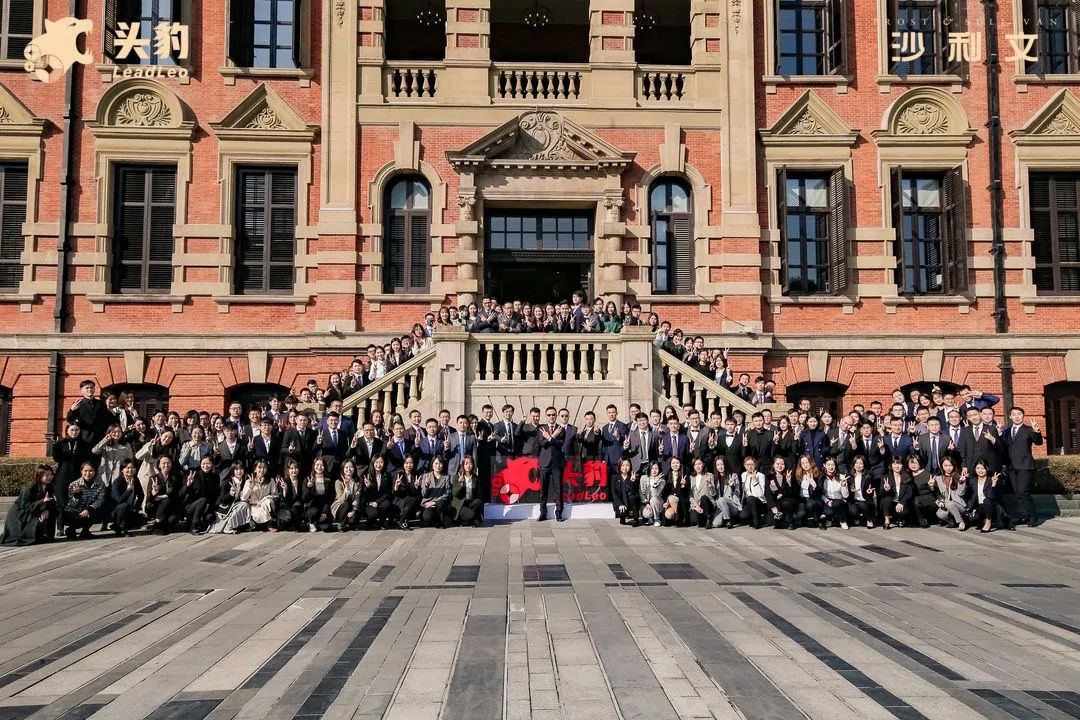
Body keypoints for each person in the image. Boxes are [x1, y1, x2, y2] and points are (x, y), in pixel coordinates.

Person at [1002, 407, 1043, 527]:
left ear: (1023, 416)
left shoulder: (1028, 429)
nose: (1016, 416)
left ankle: (1032, 517)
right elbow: (1003, 446)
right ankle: (1023, 515)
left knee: (1023, 492)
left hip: (1025, 466)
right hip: (1012, 467)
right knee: (1017, 493)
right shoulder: (1007, 431)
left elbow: (1038, 442)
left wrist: (1037, 431)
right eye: (1013, 414)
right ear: (1010, 417)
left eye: (1019, 414)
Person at [52, 422, 91, 536]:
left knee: (76, 500)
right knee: (61, 501)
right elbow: (56, 458)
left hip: (76, 476)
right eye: (72, 430)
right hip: (62, 476)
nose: (74, 432)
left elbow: (86, 460)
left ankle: (74, 526)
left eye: (77, 430)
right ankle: (60, 527)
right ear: (67, 431)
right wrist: (55, 446)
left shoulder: (84, 444)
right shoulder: (61, 443)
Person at [2, 465, 58, 546]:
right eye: (47, 475)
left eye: (51, 474)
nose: (50, 477)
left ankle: (47, 535)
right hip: (21, 515)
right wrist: (43, 502)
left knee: (54, 511)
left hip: (36, 511)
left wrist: (46, 509)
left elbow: (50, 502)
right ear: (39, 476)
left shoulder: (49, 487)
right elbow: (25, 506)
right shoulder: (29, 488)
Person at [63, 462, 108, 539]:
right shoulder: (74, 484)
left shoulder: (100, 484)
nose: (88, 473)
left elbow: (100, 499)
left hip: (90, 511)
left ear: (94, 472)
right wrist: (76, 495)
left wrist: (89, 509)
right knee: (75, 518)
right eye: (85, 471)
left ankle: (85, 531)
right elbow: (71, 504)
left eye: (91, 471)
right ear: (81, 471)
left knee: (102, 509)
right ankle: (71, 529)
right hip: (74, 513)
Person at [537, 406, 567, 522]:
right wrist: (553, 436)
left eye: (553, 415)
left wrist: (549, 437)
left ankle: (559, 513)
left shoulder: (561, 429)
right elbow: (542, 444)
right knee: (543, 489)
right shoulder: (541, 428)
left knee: (558, 489)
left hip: (557, 463)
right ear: (546, 416)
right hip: (544, 462)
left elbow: (560, 444)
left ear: (556, 416)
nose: (551, 417)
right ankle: (543, 513)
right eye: (549, 415)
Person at [209, 462, 252, 534]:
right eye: (236, 469)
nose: (239, 471)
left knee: (245, 505)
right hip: (225, 505)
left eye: (241, 469)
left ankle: (242, 525)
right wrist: (231, 492)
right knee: (243, 505)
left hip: (236, 504)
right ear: (232, 470)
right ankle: (228, 526)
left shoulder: (244, 482)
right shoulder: (227, 482)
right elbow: (223, 499)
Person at [931, 457, 973, 530]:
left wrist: (961, 482)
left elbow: (960, 493)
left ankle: (960, 522)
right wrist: (931, 486)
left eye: (950, 465)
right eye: (946, 466)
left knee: (949, 503)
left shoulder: (958, 476)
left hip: (959, 505)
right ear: (942, 466)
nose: (948, 468)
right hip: (946, 505)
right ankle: (952, 522)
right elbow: (935, 493)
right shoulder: (938, 478)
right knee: (940, 514)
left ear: (954, 466)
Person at [182, 455, 220, 534]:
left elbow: (216, 494)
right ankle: (194, 526)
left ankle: (195, 523)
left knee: (210, 517)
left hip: (207, 506)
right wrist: (188, 485)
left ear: (212, 464)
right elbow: (182, 493)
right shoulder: (194, 475)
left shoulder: (215, 477)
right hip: (191, 506)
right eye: (203, 463)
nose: (205, 466)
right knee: (203, 500)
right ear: (200, 464)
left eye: (208, 463)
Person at [144, 455, 182, 535]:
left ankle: (159, 525)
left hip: (170, 508)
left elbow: (176, 495)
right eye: (163, 463)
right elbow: (149, 498)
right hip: (155, 507)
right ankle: (157, 525)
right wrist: (154, 493)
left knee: (173, 520)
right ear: (159, 465)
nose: (166, 465)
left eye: (168, 463)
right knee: (166, 501)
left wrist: (162, 496)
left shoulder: (175, 478)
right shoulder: (154, 478)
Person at [109, 459, 144, 537]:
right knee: (124, 506)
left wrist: (137, 508)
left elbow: (141, 495)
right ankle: (122, 529)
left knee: (142, 520)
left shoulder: (135, 479)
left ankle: (117, 525)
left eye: (132, 468)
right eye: (127, 468)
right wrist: (128, 490)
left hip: (130, 508)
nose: (130, 470)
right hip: (116, 510)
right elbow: (119, 500)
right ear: (122, 470)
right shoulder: (117, 482)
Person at [361, 454, 397, 529]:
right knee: (374, 514)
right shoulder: (367, 475)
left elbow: (388, 493)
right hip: (369, 503)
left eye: (381, 462)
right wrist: (367, 487)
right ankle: (370, 522)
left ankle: (381, 522)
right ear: (373, 463)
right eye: (376, 462)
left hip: (380, 502)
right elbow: (362, 494)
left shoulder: (387, 475)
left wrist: (377, 502)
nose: (379, 465)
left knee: (387, 504)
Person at [449, 455, 485, 527]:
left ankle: (468, 520)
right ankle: (471, 520)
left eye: (470, 463)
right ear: (463, 465)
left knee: (478, 502)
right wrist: (460, 484)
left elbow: (479, 495)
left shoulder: (475, 477)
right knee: (472, 514)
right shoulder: (457, 476)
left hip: (470, 503)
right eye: (466, 464)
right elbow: (454, 494)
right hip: (460, 504)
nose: (468, 466)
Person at [418, 456, 451, 528]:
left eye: (440, 463)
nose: (438, 466)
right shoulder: (426, 476)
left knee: (441, 503)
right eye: (436, 463)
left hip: (439, 503)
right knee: (427, 518)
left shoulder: (446, 477)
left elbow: (447, 493)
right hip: (428, 503)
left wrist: (434, 502)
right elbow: (423, 494)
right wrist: (426, 485)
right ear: (432, 465)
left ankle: (438, 521)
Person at [304, 457, 335, 532]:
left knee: (326, 528)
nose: (319, 467)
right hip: (313, 507)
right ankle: (311, 523)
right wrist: (309, 488)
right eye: (317, 465)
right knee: (314, 511)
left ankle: (317, 523)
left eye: (322, 465)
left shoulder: (329, 479)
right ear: (313, 466)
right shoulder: (308, 479)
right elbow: (304, 498)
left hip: (324, 507)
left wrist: (324, 512)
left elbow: (330, 498)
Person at [331, 459, 363, 531]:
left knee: (354, 520)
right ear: (343, 469)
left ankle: (347, 523)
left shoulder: (359, 481)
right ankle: (341, 524)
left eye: (351, 467)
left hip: (353, 507)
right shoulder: (338, 482)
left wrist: (353, 510)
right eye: (346, 467)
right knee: (346, 504)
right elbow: (341, 499)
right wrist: (346, 488)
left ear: (354, 468)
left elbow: (358, 496)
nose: (349, 469)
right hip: (341, 506)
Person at [847, 455, 877, 528]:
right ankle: (858, 518)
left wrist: (869, 492)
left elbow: (871, 488)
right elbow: (847, 492)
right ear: (853, 464)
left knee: (863, 505)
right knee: (853, 511)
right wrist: (851, 490)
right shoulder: (849, 476)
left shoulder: (868, 475)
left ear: (864, 465)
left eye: (861, 463)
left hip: (865, 500)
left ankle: (869, 520)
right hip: (854, 501)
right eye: (856, 463)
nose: (858, 465)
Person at [821, 457, 849, 529]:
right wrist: (826, 501)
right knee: (827, 511)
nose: (831, 467)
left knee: (836, 503)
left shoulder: (841, 477)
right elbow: (820, 493)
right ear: (825, 465)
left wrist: (843, 485)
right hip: (827, 500)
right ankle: (830, 518)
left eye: (833, 465)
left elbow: (846, 495)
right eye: (828, 465)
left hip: (839, 500)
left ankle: (842, 521)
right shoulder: (822, 478)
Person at [738, 456, 767, 529]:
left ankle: (756, 521)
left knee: (751, 498)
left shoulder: (760, 476)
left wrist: (755, 481)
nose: (750, 467)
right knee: (743, 516)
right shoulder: (743, 475)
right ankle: (753, 518)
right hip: (748, 502)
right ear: (744, 465)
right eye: (747, 465)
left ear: (755, 465)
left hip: (759, 502)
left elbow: (761, 494)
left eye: (752, 464)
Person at [610, 458, 640, 526]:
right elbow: (614, 493)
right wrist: (620, 504)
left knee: (632, 498)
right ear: (619, 466)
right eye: (622, 465)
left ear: (630, 466)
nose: (625, 468)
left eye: (627, 465)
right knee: (622, 516)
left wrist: (632, 482)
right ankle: (622, 517)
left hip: (630, 501)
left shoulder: (633, 477)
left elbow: (634, 492)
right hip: (620, 501)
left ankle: (636, 519)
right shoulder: (614, 477)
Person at [688, 457, 716, 529]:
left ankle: (709, 519)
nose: (697, 466)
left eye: (699, 464)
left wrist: (710, 485)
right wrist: (696, 506)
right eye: (695, 465)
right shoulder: (691, 477)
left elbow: (713, 494)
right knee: (694, 520)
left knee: (703, 497)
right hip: (697, 505)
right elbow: (690, 495)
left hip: (707, 502)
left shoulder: (709, 475)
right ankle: (703, 518)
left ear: (703, 464)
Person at [392, 456, 419, 529]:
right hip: (399, 499)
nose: (409, 465)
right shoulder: (399, 474)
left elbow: (415, 493)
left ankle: (402, 520)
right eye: (406, 463)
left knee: (413, 500)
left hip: (410, 501)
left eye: (411, 463)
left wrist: (416, 487)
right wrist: (396, 486)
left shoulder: (415, 475)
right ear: (403, 464)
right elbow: (394, 493)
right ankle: (402, 521)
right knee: (411, 500)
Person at [639, 461, 667, 527]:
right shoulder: (643, 478)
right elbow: (641, 492)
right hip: (646, 502)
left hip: (657, 502)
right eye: (652, 468)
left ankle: (657, 519)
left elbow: (655, 495)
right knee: (647, 514)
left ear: (659, 470)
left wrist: (655, 482)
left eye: (656, 469)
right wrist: (646, 503)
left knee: (653, 500)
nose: (654, 471)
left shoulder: (662, 481)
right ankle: (650, 518)